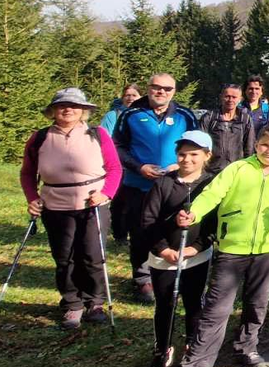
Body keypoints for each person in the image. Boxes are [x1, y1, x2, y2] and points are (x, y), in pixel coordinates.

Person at [175, 123, 269, 367]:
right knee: (217, 308)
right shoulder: (238, 169)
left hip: (267, 250)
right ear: (256, 145)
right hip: (232, 248)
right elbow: (212, 194)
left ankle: (246, 347)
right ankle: (197, 363)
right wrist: (194, 213)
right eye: (264, 145)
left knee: (257, 304)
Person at [20, 88, 122, 330]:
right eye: (62, 106)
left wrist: (106, 193)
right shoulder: (40, 138)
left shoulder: (98, 134)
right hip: (55, 205)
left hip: (93, 204)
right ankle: (72, 303)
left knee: (93, 255)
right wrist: (32, 198)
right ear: (53, 110)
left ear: (83, 110)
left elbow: (115, 169)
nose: (68, 110)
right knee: (64, 257)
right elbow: (27, 173)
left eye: (74, 106)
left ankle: (95, 302)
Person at [113, 73, 198, 304]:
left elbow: (198, 145)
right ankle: (142, 279)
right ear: (148, 88)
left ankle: (171, 275)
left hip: (174, 185)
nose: (161, 92)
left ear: (174, 91)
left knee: (171, 229)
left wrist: (179, 164)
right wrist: (138, 167)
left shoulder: (185, 115)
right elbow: (117, 147)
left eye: (167, 89)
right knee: (140, 231)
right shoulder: (130, 114)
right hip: (138, 184)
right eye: (156, 87)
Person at [139, 130, 217, 367]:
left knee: (194, 302)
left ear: (207, 155)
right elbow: (147, 221)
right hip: (164, 259)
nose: (187, 159)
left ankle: (192, 344)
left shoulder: (211, 184)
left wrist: (196, 248)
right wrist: (163, 250)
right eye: (182, 154)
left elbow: (214, 224)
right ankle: (162, 348)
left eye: (194, 154)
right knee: (165, 305)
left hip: (196, 257)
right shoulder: (163, 184)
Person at [104, 84, 139, 243]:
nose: (130, 98)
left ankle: (136, 232)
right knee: (119, 202)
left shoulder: (144, 114)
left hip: (140, 165)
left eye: (134, 95)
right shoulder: (113, 115)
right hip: (119, 165)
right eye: (127, 95)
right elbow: (105, 139)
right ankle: (120, 235)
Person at [198, 83, 256, 173]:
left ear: (240, 99)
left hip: (236, 171)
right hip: (211, 171)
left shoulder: (245, 119)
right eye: (227, 96)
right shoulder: (209, 117)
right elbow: (200, 145)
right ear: (221, 97)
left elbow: (249, 148)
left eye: (234, 97)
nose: (230, 100)